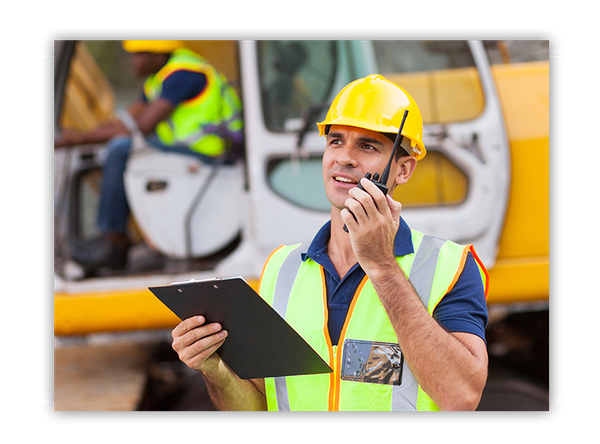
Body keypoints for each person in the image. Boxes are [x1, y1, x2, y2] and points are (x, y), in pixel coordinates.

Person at [171, 74, 489, 411]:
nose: (344, 157)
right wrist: (214, 369)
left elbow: (460, 397)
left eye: (367, 146)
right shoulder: (283, 269)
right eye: (336, 141)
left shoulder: (448, 266)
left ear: (404, 169)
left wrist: (382, 266)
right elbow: (260, 404)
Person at [54, 40, 243, 273]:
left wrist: (79, 138)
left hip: (211, 153)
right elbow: (128, 118)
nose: (132, 61)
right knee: (115, 146)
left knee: (120, 149)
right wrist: (86, 134)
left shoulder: (184, 74)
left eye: (138, 55)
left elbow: (142, 125)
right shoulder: (159, 78)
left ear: (157, 54)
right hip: (189, 151)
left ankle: (114, 241)